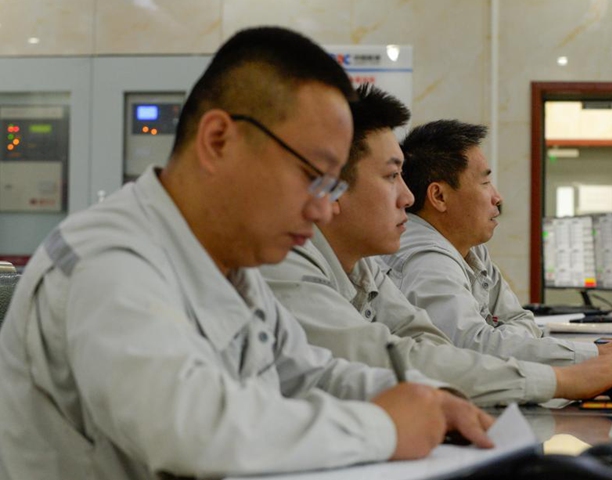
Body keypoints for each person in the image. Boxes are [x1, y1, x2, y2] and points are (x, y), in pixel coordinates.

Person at [0, 28, 494, 480]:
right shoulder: (106, 258)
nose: (325, 209)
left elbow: (305, 371)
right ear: (218, 140)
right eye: (313, 176)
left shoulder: (231, 264)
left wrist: (422, 399)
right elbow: (191, 430)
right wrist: (383, 426)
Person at [261, 84, 612, 407]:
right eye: (390, 177)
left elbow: (432, 347)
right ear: (330, 184)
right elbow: (414, 358)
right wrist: (561, 377)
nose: (406, 197)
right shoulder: (287, 265)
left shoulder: (365, 266)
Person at [383, 119, 612, 361]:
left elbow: (522, 320)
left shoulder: (470, 249)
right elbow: (473, 349)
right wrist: (597, 355)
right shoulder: (426, 261)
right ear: (439, 197)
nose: (497, 197)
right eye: (485, 183)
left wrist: (501, 338)